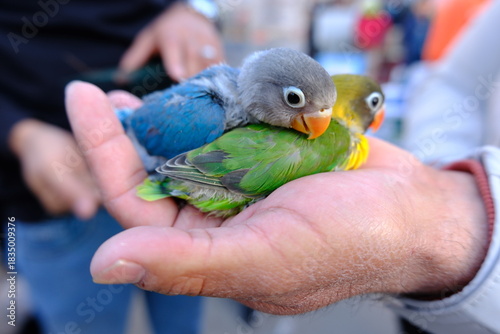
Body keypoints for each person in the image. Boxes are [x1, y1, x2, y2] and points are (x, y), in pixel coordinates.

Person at [64, 1, 500, 333]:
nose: (313, 124)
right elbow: (455, 81)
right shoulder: (209, 115)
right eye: (297, 103)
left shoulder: (289, 130)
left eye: (322, 111)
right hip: (146, 149)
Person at [1, 1, 224, 333]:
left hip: (181, 184)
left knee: (182, 322)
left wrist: (194, 10)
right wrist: (18, 131)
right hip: (57, 197)